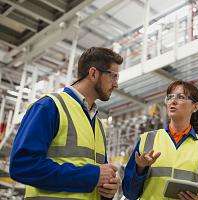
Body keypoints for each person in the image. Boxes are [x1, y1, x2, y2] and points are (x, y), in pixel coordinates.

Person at [10, 47, 123, 199]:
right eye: (113, 76)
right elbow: (22, 166)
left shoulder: (98, 123)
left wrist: (107, 189)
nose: (116, 84)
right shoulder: (49, 106)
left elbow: (98, 178)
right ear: (93, 73)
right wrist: (91, 175)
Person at [122, 80, 198, 200]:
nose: (173, 101)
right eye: (170, 97)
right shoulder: (147, 140)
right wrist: (140, 169)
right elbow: (129, 193)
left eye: (181, 97)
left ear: (195, 107)